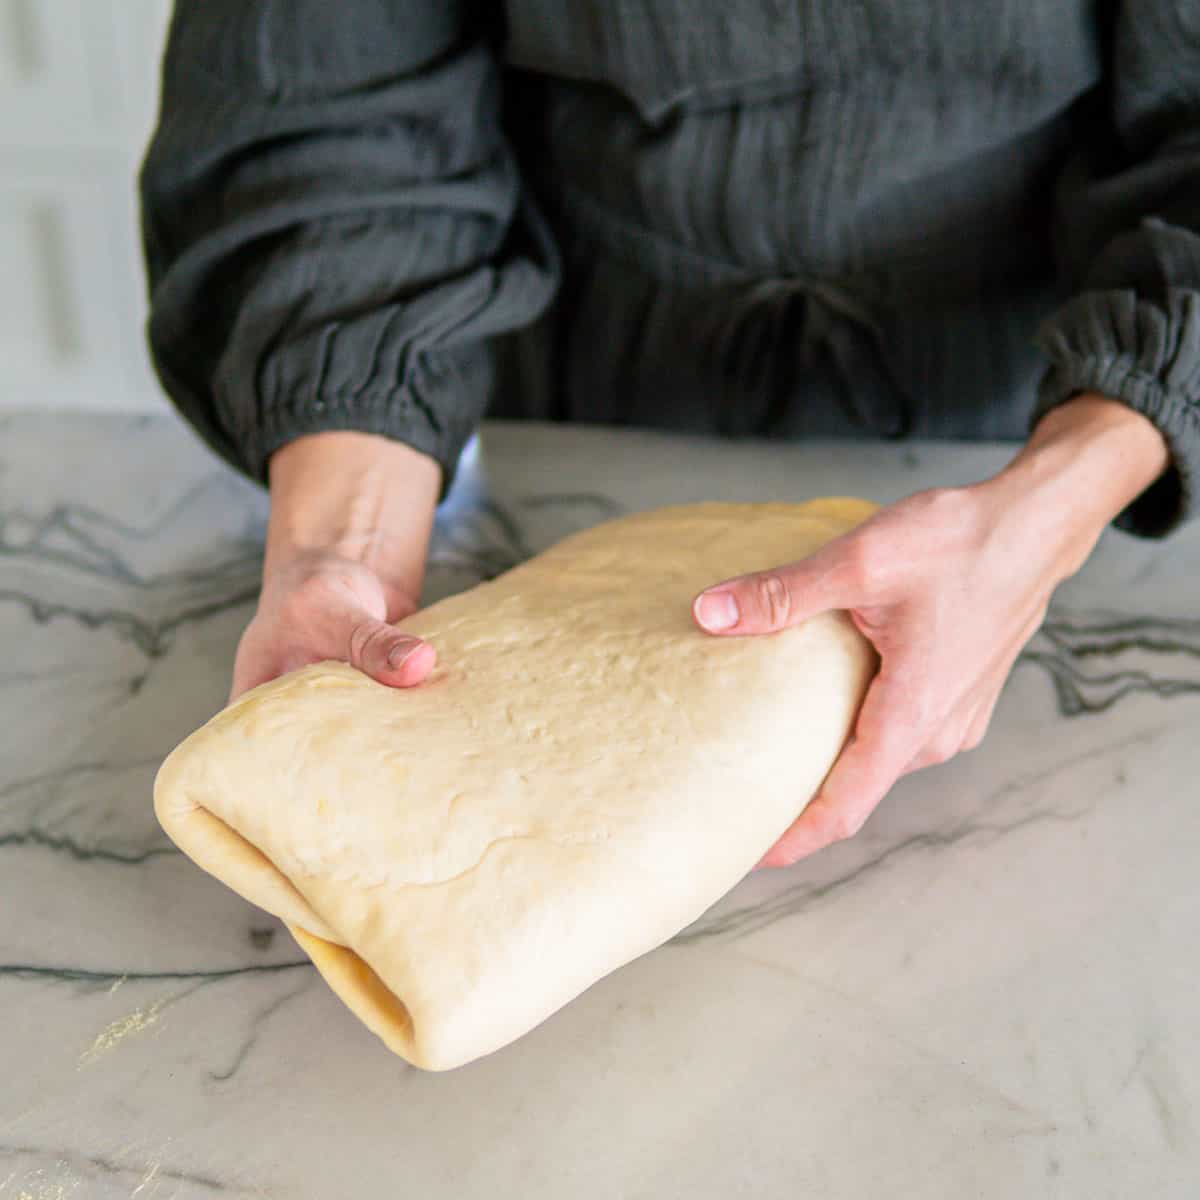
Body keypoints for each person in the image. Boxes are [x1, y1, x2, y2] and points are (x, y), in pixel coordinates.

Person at [140, 1, 1197, 867]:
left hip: (1027, 429)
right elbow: (327, 119)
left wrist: (1058, 500)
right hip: (587, 404)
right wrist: (345, 550)